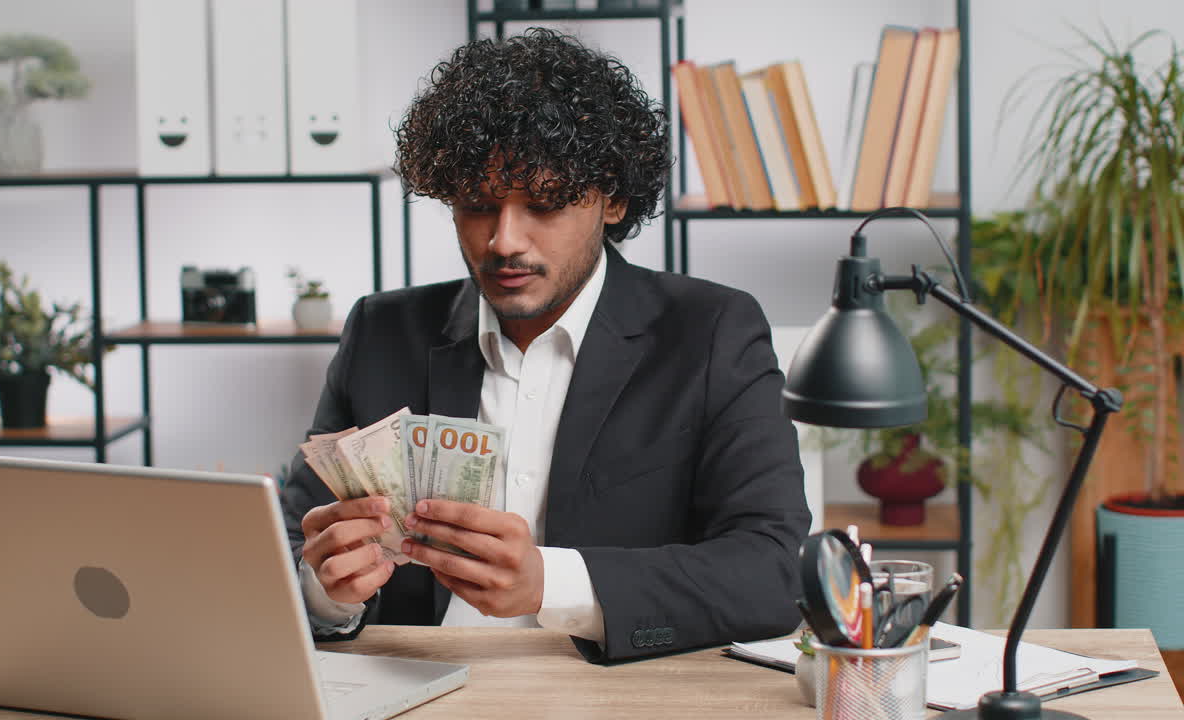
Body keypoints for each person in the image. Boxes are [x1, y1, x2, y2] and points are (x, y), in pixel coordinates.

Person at [279, 27, 809, 663]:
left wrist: (551, 584)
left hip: (615, 696)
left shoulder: (712, 332)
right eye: (478, 204)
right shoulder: (381, 331)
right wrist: (327, 592)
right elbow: (286, 547)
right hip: (409, 690)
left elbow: (771, 571)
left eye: (543, 204)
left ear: (611, 199)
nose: (504, 240)